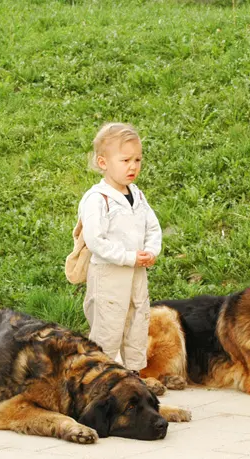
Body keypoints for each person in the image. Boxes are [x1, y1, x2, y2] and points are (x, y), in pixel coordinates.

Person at [78, 122, 162, 373]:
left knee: (137, 320)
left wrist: (151, 251)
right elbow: (96, 241)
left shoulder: (137, 194)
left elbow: (153, 227)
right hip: (109, 274)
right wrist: (128, 257)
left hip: (137, 271)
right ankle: (100, 375)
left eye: (137, 159)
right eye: (125, 160)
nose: (133, 166)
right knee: (108, 325)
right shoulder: (97, 199)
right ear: (103, 163)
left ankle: (134, 373)